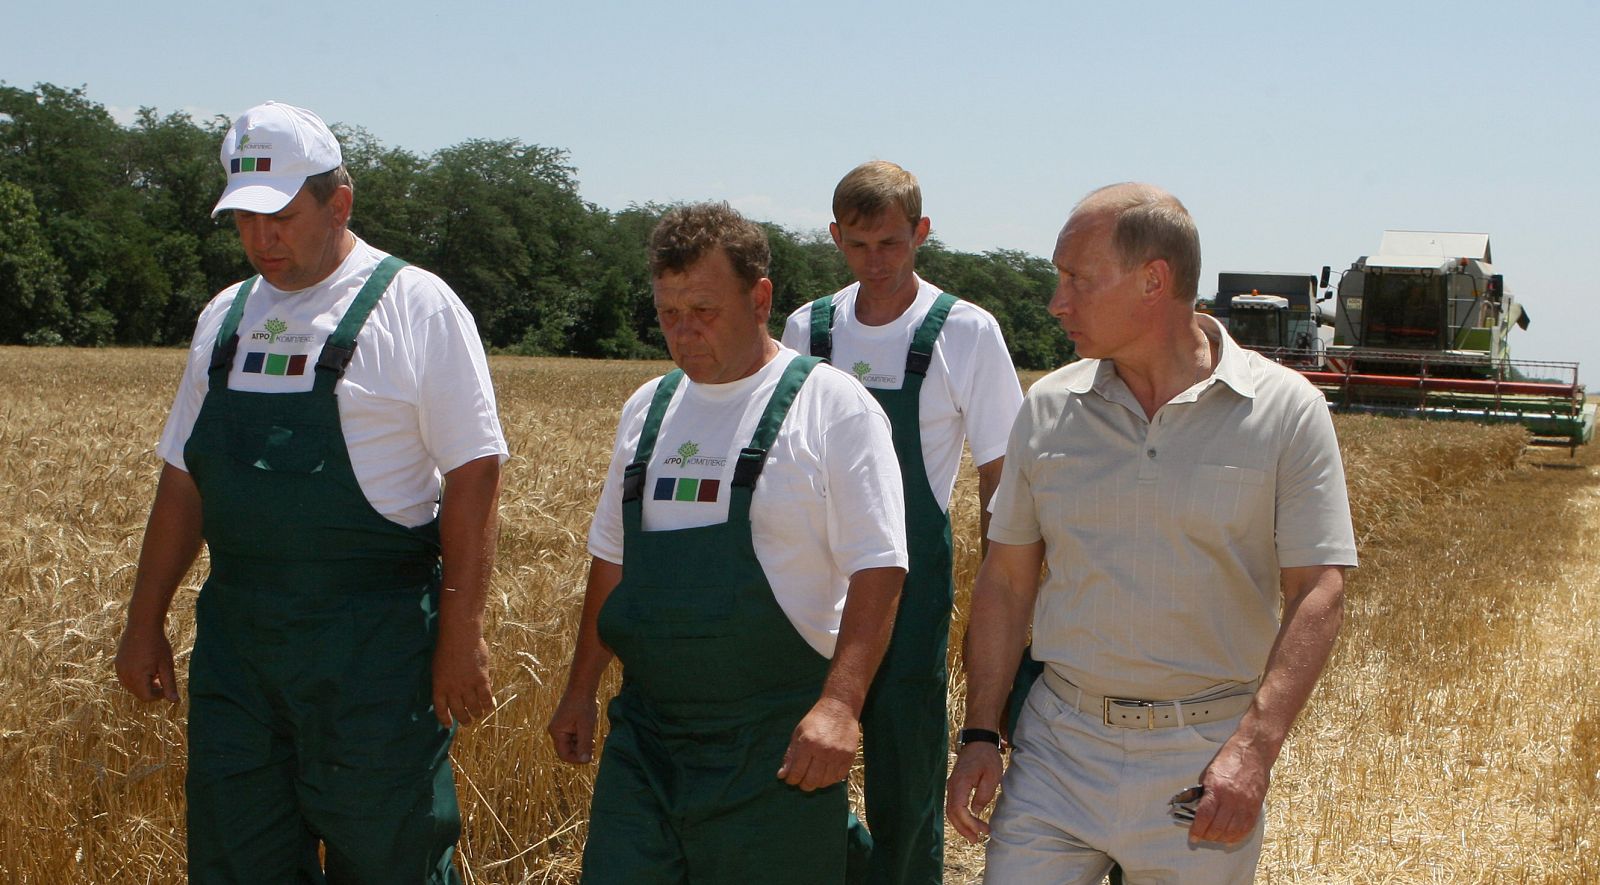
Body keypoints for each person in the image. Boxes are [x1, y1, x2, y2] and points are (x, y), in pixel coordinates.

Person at [113, 101, 506, 883]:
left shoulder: (416, 306)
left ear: (340, 202)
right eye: (245, 220)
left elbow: (474, 473)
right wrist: (143, 619)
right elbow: (184, 476)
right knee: (237, 854)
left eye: (281, 216)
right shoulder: (225, 318)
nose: (262, 239)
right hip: (239, 644)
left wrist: (459, 632)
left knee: (389, 853)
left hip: (375, 648)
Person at [946, 183, 1358, 883]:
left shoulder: (1287, 410)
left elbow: (1319, 588)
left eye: (1077, 278)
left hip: (1199, 759)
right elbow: (1007, 580)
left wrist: (1252, 749)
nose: (1057, 300)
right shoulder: (1048, 407)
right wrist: (981, 732)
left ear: (1153, 280)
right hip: (1058, 746)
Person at [547, 202, 908, 884]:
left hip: (770, 745)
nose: (685, 333)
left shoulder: (832, 406)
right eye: (669, 314)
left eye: (704, 311)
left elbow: (879, 565)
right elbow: (613, 558)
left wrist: (839, 705)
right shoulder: (647, 408)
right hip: (648, 738)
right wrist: (580, 688)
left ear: (760, 296)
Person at [780, 160, 1023, 885]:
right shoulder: (808, 329)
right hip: (811, 582)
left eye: (890, 243)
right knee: (795, 758)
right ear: (834, 238)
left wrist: (1004, 590)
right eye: (857, 246)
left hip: (913, 587)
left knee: (906, 769)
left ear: (920, 232)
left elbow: (1002, 475)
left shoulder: (966, 332)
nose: (874, 262)